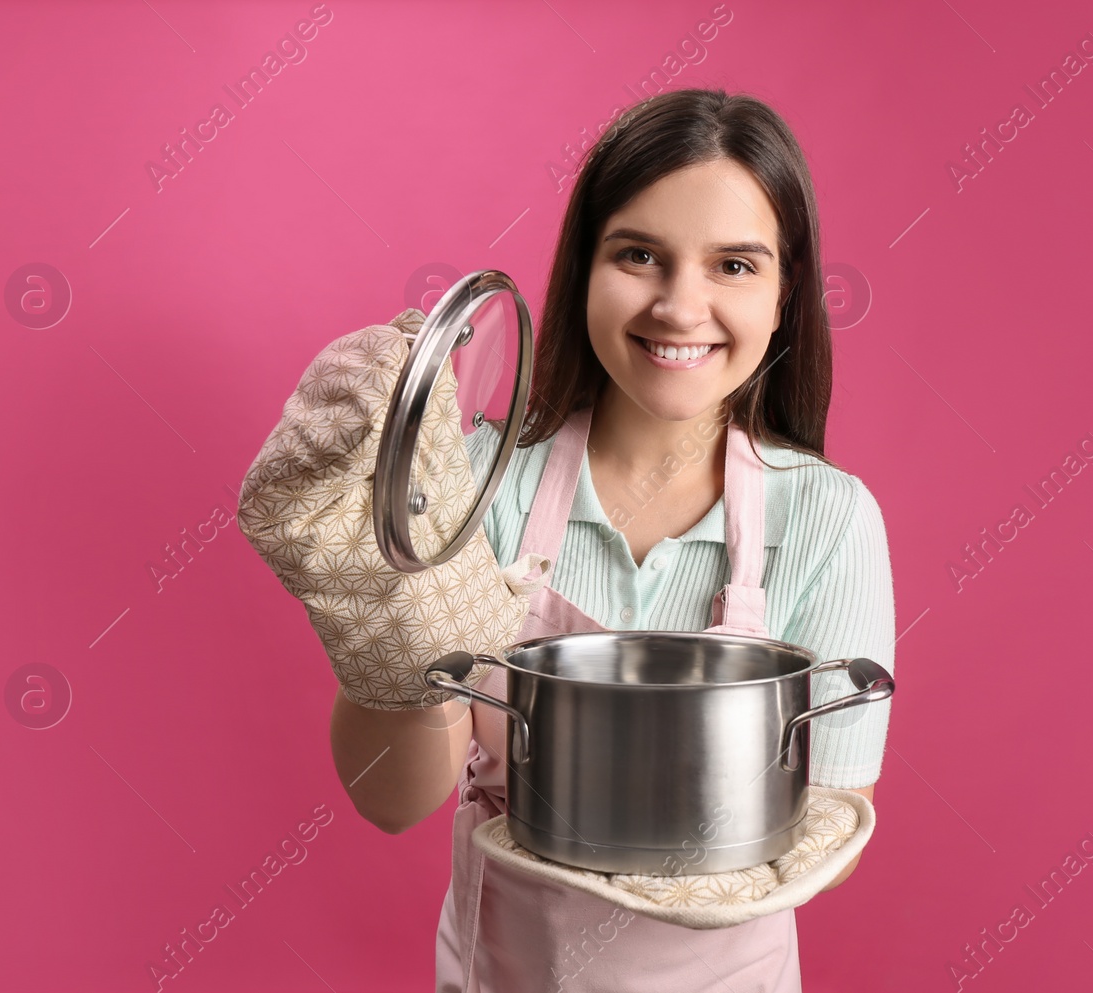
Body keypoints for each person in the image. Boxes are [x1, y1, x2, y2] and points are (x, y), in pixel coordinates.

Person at [328, 88, 897, 992]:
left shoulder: (829, 519)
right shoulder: (479, 485)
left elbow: (838, 825)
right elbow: (393, 802)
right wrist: (383, 598)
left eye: (734, 266)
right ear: (583, 270)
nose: (680, 305)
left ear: (787, 294)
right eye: (639, 254)